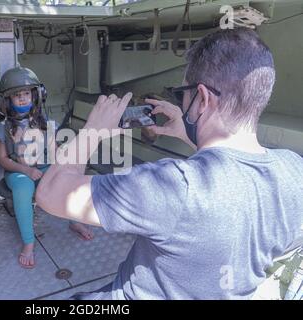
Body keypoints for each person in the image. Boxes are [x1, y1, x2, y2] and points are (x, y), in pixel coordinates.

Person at [35, 28, 303, 299]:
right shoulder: (293, 170)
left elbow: (50, 194)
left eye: (183, 94)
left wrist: (93, 130)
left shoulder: (173, 186)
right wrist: (189, 135)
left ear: (203, 99)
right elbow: (234, 175)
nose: (182, 101)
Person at [0, 66, 94, 269]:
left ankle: (74, 220)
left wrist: (65, 167)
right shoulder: (3, 128)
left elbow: (54, 150)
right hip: (18, 172)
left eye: (27, 94)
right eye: (17, 95)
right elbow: (3, 160)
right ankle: (29, 243)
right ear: (6, 101)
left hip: (45, 167)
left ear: (36, 96)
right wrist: (27, 171)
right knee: (23, 189)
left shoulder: (44, 123)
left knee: (68, 182)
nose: (22, 99)